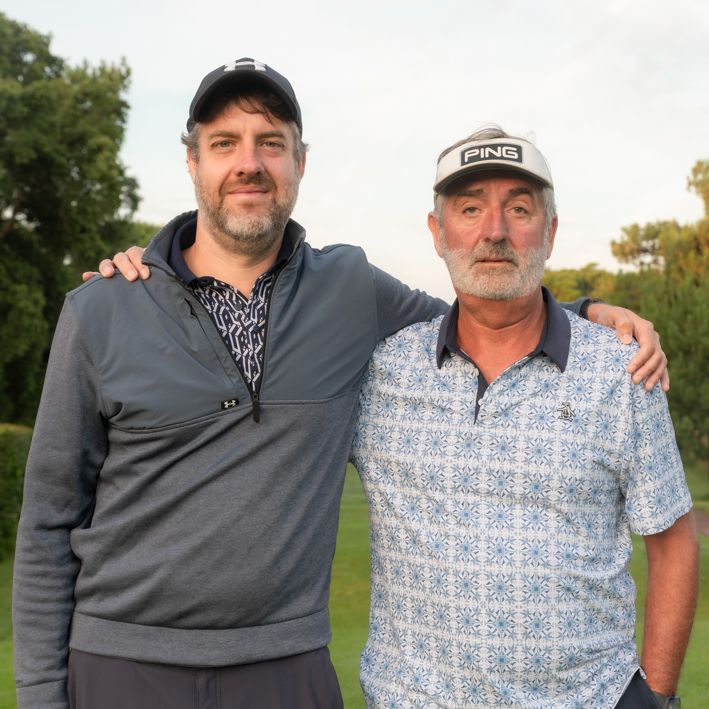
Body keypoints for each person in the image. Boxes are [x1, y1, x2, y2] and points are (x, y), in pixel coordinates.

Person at [13, 57, 666, 709]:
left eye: (272, 143)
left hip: (285, 667)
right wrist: (42, 696)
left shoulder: (349, 288)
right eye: (224, 143)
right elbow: (48, 518)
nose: (249, 163)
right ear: (192, 161)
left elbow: (482, 317)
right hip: (122, 667)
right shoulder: (104, 307)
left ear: (300, 162)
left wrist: (586, 315)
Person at [350, 126, 699, 708]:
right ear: (437, 232)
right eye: (470, 208)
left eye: (519, 208)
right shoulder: (382, 371)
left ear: (550, 231)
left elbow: (673, 541)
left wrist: (657, 698)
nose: (495, 231)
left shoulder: (622, 369)